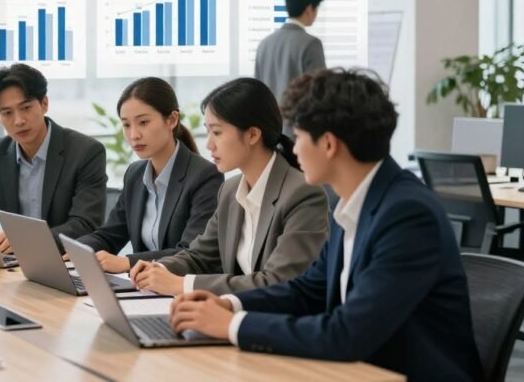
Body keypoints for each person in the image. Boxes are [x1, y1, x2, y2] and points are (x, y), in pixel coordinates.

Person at [169, 69, 483, 382]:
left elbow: (348, 333)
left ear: (329, 144)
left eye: (300, 137)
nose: (293, 148)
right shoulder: (356, 202)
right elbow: (307, 289)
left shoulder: (406, 214)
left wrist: (232, 325)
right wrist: (229, 304)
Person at [129, 78, 328, 295]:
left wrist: (182, 285)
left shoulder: (302, 193)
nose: (209, 144)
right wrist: (159, 269)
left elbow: (279, 281)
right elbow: (199, 256)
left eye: (217, 132)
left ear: (252, 135)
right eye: (208, 132)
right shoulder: (231, 191)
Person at [75, 78, 223, 274]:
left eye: (143, 122)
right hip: (143, 286)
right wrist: (75, 250)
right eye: (126, 125)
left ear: (172, 120)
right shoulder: (135, 174)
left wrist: (127, 262)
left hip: (180, 286)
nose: (134, 135)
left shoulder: (205, 176)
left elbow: (191, 252)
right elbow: (109, 235)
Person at [0, 63, 107, 253]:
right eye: (7, 113)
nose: (19, 121)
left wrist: (29, 240)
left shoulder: (85, 152)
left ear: (44, 104)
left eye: (26, 107)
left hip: (63, 261)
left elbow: (85, 224)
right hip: (14, 263)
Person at [254, 0, 326, 106]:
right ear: (309, 9)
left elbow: (257, 88)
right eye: (316, 9)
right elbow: (319, 89)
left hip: (270, 116)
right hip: (298, 116)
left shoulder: (264, 43)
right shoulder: (311, 43)